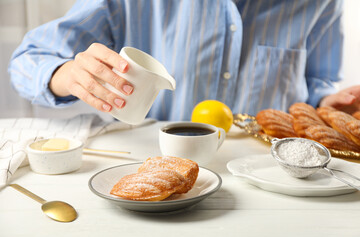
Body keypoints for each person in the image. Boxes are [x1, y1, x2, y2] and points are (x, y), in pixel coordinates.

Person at [8, 0, 360, 121]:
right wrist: (65, 73)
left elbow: (317, 84)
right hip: (151, 173)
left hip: (272, 184)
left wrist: (325, 103)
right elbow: (28, 59)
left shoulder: (321, 4)